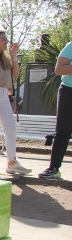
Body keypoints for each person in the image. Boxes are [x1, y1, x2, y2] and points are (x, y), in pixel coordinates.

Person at [0, 31, 31, 176]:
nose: (6, 42)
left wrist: (14, 57)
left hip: (4, 95)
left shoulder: (5, 57)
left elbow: (16, 75)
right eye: (3, 39)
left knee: (11, 129)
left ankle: (12, 162)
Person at [39, 39, 72, 179]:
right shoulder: (71, 46)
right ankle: (54, 169)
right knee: (63, 131)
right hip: (68, 91)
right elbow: (59, 70)